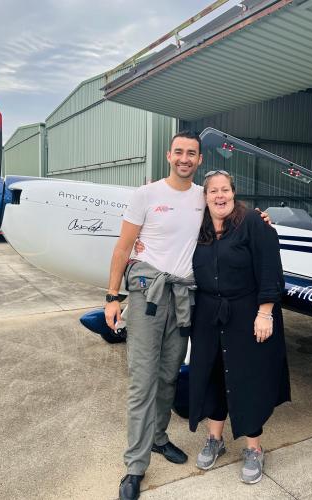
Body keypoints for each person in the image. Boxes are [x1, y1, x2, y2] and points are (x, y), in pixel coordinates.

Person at [105, 131, 270, 500]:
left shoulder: (204, 194)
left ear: (198, 160)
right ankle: (135, 466)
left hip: (184, 299)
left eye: (191, 153)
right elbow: (123, 246)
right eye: (178, 152)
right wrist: (112, 296)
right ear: (169, 156)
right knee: (142, 380)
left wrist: (261, 219)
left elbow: (232, 209)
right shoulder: (146, 195)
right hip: (149, 295)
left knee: (167, 376)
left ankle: (160, 437)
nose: (184, 158)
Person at [189, 170, 291, 485]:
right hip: (207, 314)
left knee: (247, 378)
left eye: (225, 190)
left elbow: (270, 268)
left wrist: (265, 313)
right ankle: (215, 440)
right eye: (213, 191)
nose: (220, 196)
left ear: (234, 193)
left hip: (247, 312)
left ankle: (253, 448)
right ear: (204, 197)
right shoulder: (199, 227)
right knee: (213, 374)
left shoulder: (253, 224)